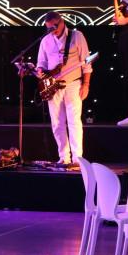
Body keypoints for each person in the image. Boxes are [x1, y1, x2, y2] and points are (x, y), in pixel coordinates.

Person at [35, 11, 92, 167]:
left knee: (74, 121)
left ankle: (77, 159)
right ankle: (63, 157)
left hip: (73, 83)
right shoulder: (45, 41)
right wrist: (40, 71)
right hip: (53, 86)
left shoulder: (76, 36)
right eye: (49, 28)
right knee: (57, 123)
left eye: (54, 26)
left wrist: (86, 84)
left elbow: (87, 62)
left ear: (61, 22)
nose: (52, 30)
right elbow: (41, 63)